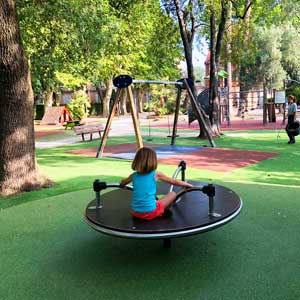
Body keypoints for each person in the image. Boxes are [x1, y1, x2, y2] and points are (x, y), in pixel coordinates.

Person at [120, 147, 193, 220]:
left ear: (136, 161)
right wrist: (186, 184)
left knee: (153, 200)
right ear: (153, 161)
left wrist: (123, 182)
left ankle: (156, 205)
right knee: (172, 194)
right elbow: (173, 181)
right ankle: (162, 210)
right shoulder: (155, 174)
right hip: (151, 212)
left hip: (136, 212)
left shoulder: (133, 175)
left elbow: (122, 183)